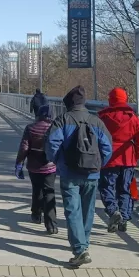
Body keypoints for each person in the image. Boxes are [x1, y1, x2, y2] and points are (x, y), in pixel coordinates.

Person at [46, 85, 112, 267]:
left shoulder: (62, 120)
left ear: (68, 103)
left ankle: (80, 249)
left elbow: (51, 145)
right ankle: (85, 246)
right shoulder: (96, 121)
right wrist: (99, 165)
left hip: (69, 173)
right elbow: (107, 148)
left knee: (72, 211)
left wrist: (59, 163)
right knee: (87, 211)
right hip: (92, 174)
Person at [97, 88, 139, 233]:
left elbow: (97, 138)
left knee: (107, 187)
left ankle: (113, 212)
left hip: (108, 158)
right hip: (127, 157)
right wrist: (134, 157)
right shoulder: (133, 118)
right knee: (125, 190)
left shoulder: (103, 117)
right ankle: (124, 218)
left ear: (111, 99)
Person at [15, 104, 58, 235]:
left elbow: (24, 148)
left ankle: (36, 214)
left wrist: (19, 164)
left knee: (36, 189)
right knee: (49, 192)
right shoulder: (55, 128)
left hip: (33, 166)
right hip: (50, 166)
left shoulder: (30, 128)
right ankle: (51, 225)